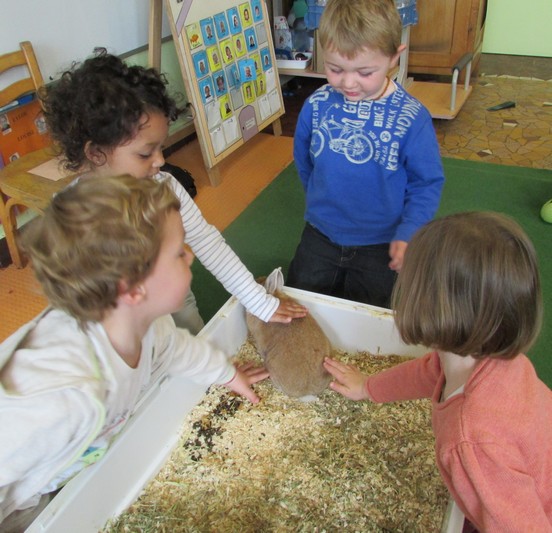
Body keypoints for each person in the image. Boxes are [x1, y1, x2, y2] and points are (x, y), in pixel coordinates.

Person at [0, 175, 269, 528]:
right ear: (133, 288)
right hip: (16, 501)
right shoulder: (60, 396)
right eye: (178, 253)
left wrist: (227, 374)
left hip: (59, 467)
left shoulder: (149, 325)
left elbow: (178, 350)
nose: (189, 255)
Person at [40, 50, 306, 334]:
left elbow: (206, 241)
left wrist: (258, 301)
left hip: (176, 303)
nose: (161, 161)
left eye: (161, 147)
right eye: (145, 153)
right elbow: (71, 296)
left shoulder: (165, 186)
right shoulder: (70, 213)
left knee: (193, 345)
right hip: (115, 322)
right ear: (95, 153)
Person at [324, 212, 552, 531]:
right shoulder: (488, 357)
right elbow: (430, 371)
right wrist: (368, 387)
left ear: (430, 308)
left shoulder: (472, 440)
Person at [287, 0, 444, 309]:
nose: (348, 82)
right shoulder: (317, 104)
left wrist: (410, 231)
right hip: (320, 235)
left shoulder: (412, 117)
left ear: (393, 57)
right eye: (335, 69)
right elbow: (304, 160)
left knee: (375, 314)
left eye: (365, 71)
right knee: (300, 304)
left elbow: (426, 183)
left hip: (381, 243)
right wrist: (320, 201)